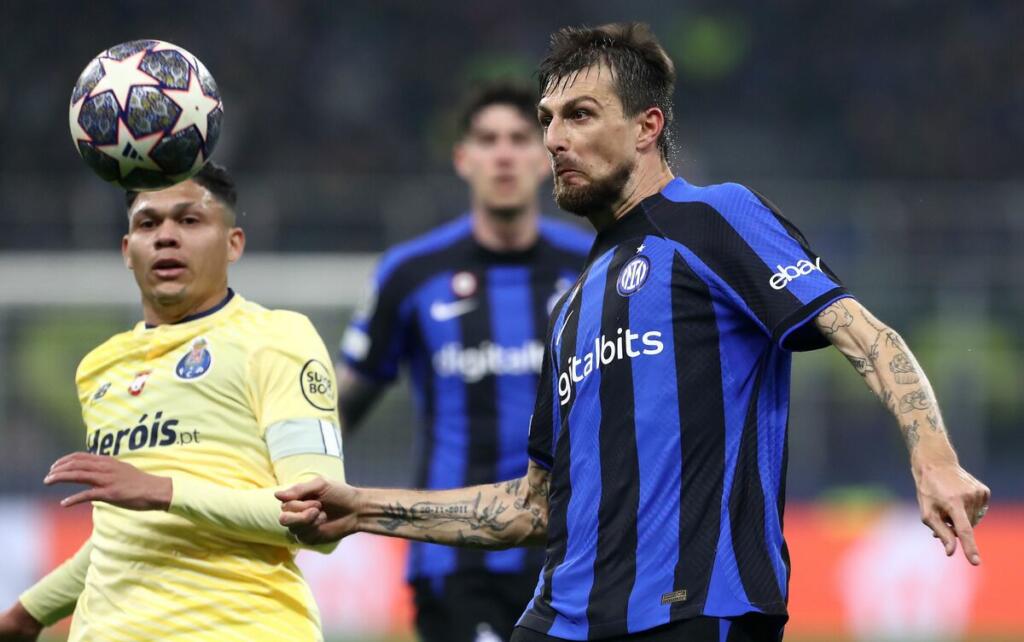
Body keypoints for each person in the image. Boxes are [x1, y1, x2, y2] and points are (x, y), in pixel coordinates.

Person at [277, 23, 991, 642]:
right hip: (563, 614)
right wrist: (361, 507)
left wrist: (932, 455)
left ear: (647, 127)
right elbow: (530, 506)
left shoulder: (715, 219)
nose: (554, 139)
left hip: (695, 609)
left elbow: (865, 335)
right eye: (548, 118)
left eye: (580, 115)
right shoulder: (572, 304)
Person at [0, 162, 346, 642]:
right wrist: (28, 613)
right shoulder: (101, 368)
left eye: (189, 220)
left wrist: (166, 490)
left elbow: (320, 515)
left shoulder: (277, 338)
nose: (165, 236)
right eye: (148, 223)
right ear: (127, 250)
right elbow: (127, 532)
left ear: (233, 243)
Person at [337, 81, 592, 642]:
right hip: (454, 558)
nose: (503, 153)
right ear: (463, 158)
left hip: (575, 551)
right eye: (487, 139)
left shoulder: (592, 267)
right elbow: (342, 405)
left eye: (520, 138)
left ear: (546, 154)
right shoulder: (410, 274)